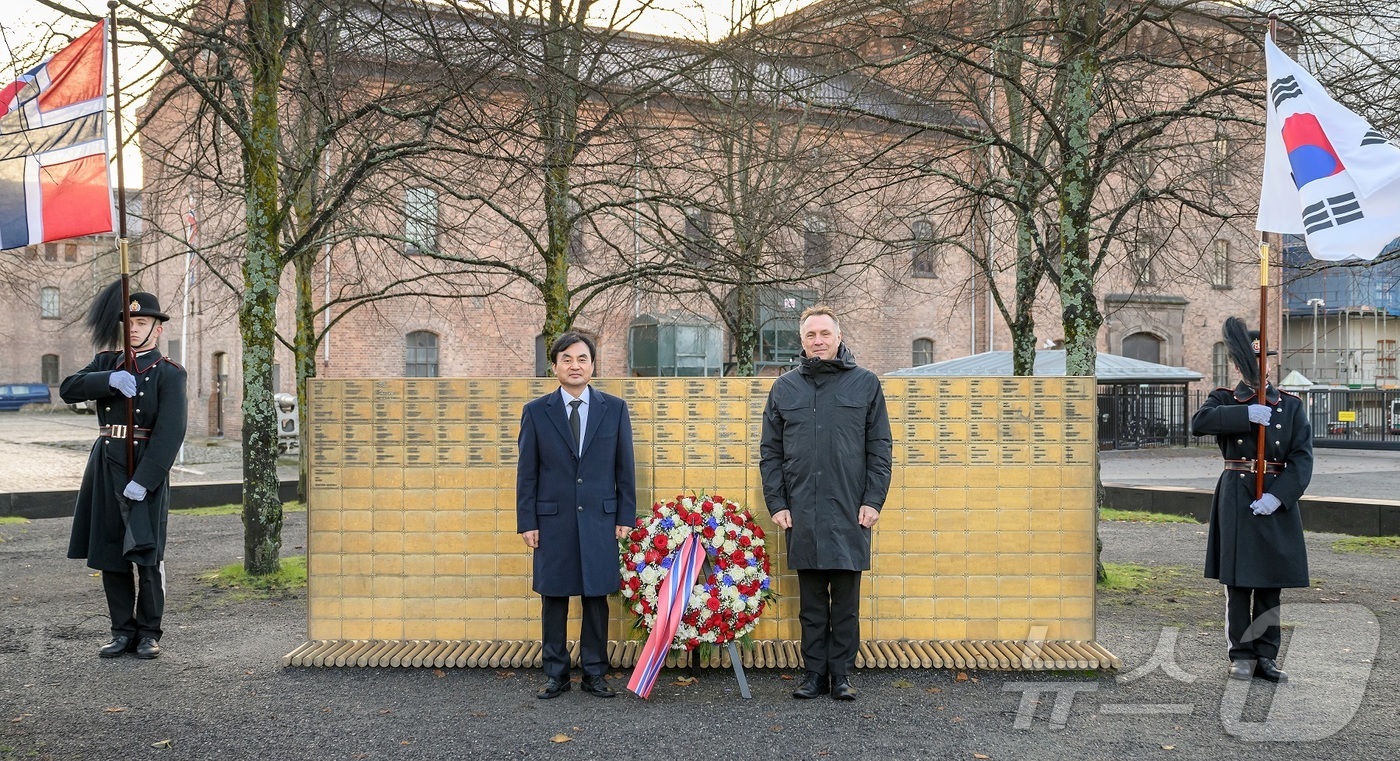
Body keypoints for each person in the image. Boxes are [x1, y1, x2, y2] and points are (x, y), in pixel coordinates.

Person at [759, 306, 892, 700]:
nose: (818, 341)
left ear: (838, 336)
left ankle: (842, 675)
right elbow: (771, 451)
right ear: (801, 341)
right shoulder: (785, 388)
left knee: (846, 602)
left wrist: (873, 500)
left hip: (851, 510)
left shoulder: (865, 384)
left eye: (824, 334)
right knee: (812, 602)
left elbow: (880, 448)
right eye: (810, 335)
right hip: (801, 511)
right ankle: (814, 674)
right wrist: (777, 502)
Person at [60, 286, 187, 659]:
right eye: (129, 322)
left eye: (142, 321)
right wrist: (108, 381)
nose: (133, 328)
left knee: (147, 553)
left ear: (158, 329)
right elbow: (69, 389)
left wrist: (144, 481)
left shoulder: (169, 373)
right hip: (106, 464)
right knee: (110, 550)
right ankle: (121, 631)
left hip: (145, 468)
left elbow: (169, 434)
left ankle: (149, 632)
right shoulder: (106, 362)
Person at [1190, 317, 1311, 683]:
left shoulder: (1290, 406)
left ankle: (1266, 655)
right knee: (1239, 582)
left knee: (1270, 583)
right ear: (1238, 365)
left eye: (1264, 362)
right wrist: (1244, 414)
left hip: (1273, 496)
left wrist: (1279, 497)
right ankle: (1241, 653)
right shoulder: (1225, 398)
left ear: (1271, 363)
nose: (1258, 368)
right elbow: (1200, 422)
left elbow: (1301, 458)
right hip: (1238, 493)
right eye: (1249, 363)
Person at [516, 331, 636, 699]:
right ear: (554, 366)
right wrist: (528, 521)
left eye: (582, 358)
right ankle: (556, 674)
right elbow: (527, 471)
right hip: (552, 521)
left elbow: (624, 468)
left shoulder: (614, 408)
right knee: (553, 599)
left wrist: (625, 515)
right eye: (566, 359)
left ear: (593, 365)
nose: (574, 365)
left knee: (596, 598)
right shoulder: (536, 412)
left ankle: (595, 673)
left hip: (600, 519)